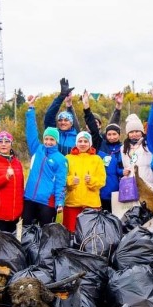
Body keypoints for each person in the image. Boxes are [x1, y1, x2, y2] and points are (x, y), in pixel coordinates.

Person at [23, 95, 68, 226]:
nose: (48, 142)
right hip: (30, 197)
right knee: (26, 231)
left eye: (51, 139)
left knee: (44, 234)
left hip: (47, 202)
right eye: (46, 139)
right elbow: (31, 132)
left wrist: (60, 202)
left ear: (56, 141)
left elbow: (61, 182)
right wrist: (31, 109)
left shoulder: (61, 159)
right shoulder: (37, 149)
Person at [82, 90, 123, 211]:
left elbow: (113, 125)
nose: (111, 137)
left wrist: (118, 107)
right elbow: (93, 129)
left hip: (116, 192)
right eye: (109, 134)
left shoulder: (123, 148)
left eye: (114, 134)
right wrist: (86, 108)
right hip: (98, 191)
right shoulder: (99, 143)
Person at [64, 132, 107, 231]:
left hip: (92, 204)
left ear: (90, 143)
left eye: (85, 141)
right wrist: (70, 180)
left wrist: (91, 181)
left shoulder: (97, 159)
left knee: (91, 234)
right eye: (80, 141)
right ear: (76, 143)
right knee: (71, 232)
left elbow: (102, 180)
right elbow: (61, 178)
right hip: (72, 204)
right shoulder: (68, 158)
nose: (82, 144)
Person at [122, 84, 153, 188]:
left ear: (142, 132)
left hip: (149, 187)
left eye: (137, 131)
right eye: (131, 132)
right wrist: (122, 171)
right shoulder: (123, 148)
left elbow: (151, 125)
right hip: (130, 188)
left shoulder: (148, 144)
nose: (134, 134)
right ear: (127, 134)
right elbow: (119, 167)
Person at [44, 78, 80, 156]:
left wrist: (69, 105)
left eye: (66, 120)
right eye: (60, 120)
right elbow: (49, 115)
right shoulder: (54, 133)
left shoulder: (77, 136)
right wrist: (61, 96)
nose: (63, 122)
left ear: (71, 123)